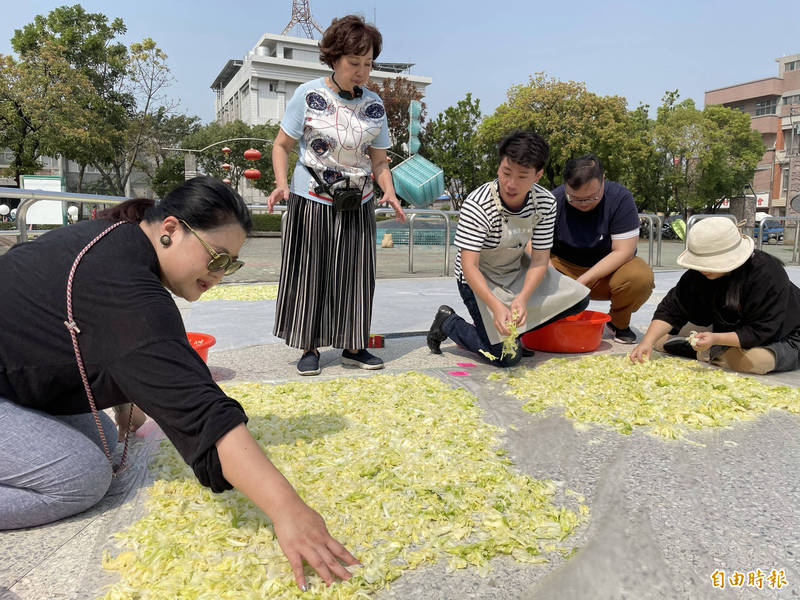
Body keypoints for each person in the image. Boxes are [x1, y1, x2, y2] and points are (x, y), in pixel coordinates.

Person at [0, 177, 356, 591]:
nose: (219, 276)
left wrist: (125, 403)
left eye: (231, 266)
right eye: (217, 259)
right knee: (82, 477)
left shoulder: (118, 242)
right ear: (170, 230)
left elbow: (105, 343)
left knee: (103, 443)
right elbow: (200, 407)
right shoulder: (128, 288)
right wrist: (288, 511)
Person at [267, 14, 405, 377]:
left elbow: (379, 161)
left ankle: (353, 346)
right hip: (312, 196)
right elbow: (281, 146)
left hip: (357, 200)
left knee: (357, 274)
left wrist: (388, 190)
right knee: (312, 272)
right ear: (334, 58)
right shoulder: (309, 95)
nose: (362, 71)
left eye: (368, 64)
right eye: (354, 63)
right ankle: (309, 346)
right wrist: (282, 182)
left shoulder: (375, 104)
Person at [426, 130, 590, 367]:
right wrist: (495, 305)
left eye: (523, 176)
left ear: (538, 175)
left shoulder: (545, 202)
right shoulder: (478, 204)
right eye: (506, 173)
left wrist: (523, 298)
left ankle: (512, 332)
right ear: (498, 167)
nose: (512, 184)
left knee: (578, 298)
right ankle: (449, 323)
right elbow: (469, 267)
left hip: (516, 271)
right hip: (479, 279)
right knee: (506, 357)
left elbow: (540, 260)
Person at [630, 217, 800, 374]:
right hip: (725, 325)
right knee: (659, 341)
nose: (704, 269)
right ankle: (711, 347)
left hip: (781, 333)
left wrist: (715, 339)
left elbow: (761, 331)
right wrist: (647, 342)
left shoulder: (766, 274)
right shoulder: (699, 273)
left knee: (754, 362)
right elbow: (673, 307)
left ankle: (706, 352)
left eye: (710, 264)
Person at [550, 154, 654, 344]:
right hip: (562, 269)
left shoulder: (621, 199)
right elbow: (534, 246)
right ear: (564, 185)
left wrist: (584, 280)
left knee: (640, 277)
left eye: (591, 197)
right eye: (574, 198)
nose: (583, 204)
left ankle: (618, 323)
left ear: (603, 180)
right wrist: (548, 274)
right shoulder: (552, 201)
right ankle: (546, 322)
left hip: (608, 271)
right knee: (527, 269)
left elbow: (624, 251)